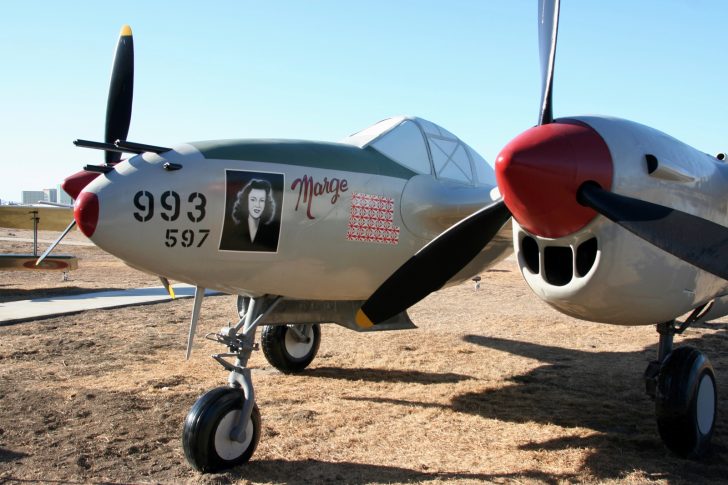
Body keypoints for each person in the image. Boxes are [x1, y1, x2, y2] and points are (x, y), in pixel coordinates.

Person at [230, 179, 280, 251]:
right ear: (245, 201)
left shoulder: (271, 233)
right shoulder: (234, 230)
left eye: (262, 200)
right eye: (253, 199)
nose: (257, 205)